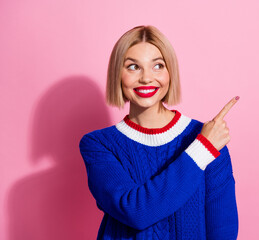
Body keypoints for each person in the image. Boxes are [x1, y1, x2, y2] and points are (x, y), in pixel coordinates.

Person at [79, 25, 239, 240]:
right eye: (133, 67)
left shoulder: (209, 138)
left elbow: (222, 231)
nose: (146, 78)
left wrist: (206, 145)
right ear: (118, 74)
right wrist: (202, 150)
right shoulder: (98, 145)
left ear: (170, 73)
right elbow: (135, 212)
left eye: (157, 66)